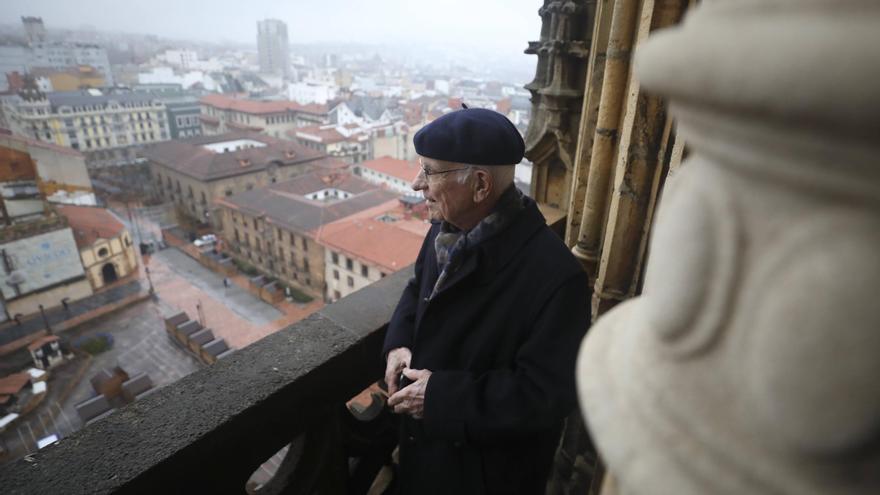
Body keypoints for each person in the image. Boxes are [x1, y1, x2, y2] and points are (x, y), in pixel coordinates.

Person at [383, 107, 590, 494]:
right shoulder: (446, 232)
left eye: (429, 172)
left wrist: (442, 398)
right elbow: (417, 289)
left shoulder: (557, 279)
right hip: (426, 461)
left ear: (480, 184)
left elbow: (545, 395)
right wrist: (398, 341)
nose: (416, 184)